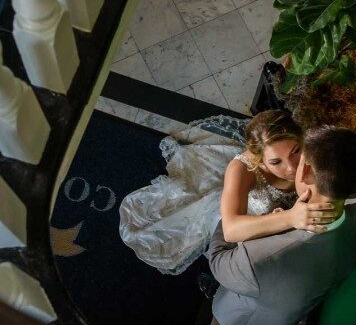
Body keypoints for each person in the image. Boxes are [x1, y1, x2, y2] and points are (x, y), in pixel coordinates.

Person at [205, 126, 356, 325]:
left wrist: (229, 220)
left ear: (307, 170)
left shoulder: (255, 261)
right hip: (303, 294)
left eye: (299, 158)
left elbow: (218, 258)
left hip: (259, 303)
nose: (292, 170)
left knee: (222, 310)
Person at [118, 112, 340, 275]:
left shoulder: (313, 147)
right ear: (259, 160)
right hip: (246, 218)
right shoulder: (242, 168)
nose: (291, 168)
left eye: (296, 152)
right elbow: (231, 230)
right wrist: (289, 217)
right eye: (275, 162)